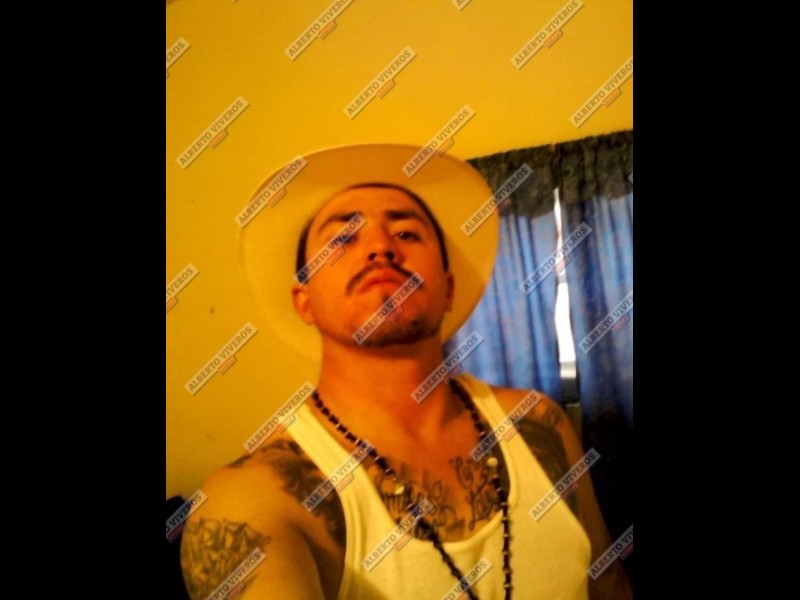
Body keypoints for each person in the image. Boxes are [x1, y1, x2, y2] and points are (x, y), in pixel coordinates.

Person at [179, 144, 633, 600]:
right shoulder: (256, 496)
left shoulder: (539, 421)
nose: (380, 247)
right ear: (305, 301)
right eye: (343, 239)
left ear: (448, 289)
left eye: (407, 233)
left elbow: (608, 584)